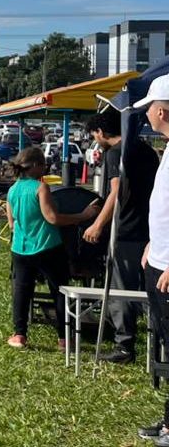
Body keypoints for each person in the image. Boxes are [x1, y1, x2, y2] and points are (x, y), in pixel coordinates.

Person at [81, 108, 159, 363]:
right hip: (150, 229)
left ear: (101, 132)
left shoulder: (116, 153)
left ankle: (124, 345)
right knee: (149, 288)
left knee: (121, 288)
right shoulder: (146, 150)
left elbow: (115, 191)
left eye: (95, 135)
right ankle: (158, 340)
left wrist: (98, 225)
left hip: (126, 229)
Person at [4, 146, 96, 349]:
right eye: (44, 165)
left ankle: (19, 335)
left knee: (22, 290)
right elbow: (52, 218)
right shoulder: (40, 188)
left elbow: (11, 223)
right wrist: (83, 216)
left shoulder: (12, 190)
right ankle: (64, 338)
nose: (45, 169)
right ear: (36, 166)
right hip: (47, 246)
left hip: (20, 247)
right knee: (59, 290)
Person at [134, 76, 169, 444]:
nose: (146, 114)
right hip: (156, 259)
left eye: (148, 108)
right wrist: (152, 243)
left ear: (161, 110)